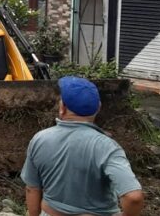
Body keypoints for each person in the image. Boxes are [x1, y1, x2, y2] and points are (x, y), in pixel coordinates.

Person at [21, 76, 144, 216]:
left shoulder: (40, 139)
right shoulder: (107, 147)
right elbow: (133, 198)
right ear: (98, 108)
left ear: (62, 108)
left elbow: (32, 188)